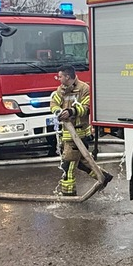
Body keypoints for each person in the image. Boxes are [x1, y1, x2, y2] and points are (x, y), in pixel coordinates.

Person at [51, 66, 112, 196]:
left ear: (67, 77)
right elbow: (53, 103)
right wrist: (58, 111)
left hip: (79, 134)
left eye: (60, 76)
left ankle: (68, 194)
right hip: (67, 134)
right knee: (82, 163)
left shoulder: (84, 89)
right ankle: (104, 176)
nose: (58, 78)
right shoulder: (60, 90)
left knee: (68, 165)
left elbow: (87, 107)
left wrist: (71, 112)